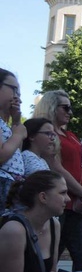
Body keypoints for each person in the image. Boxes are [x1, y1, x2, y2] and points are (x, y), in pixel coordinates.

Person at [34, 90, 82, 272]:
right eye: (66, 107)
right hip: (57, 203)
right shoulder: (49, 136)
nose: (70, 112)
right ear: (51, 107)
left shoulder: (70, 135)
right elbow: (56, 166)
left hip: (75, 205)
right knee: (49, 258)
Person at [0, 69, 25, 209]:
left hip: (10, 184)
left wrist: (15, 122)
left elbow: (16, 153)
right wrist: (17, 134)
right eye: (14, 90)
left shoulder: (4, 125)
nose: (18, 99)